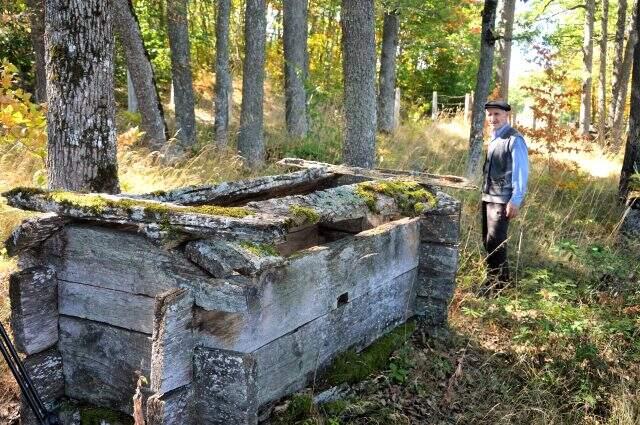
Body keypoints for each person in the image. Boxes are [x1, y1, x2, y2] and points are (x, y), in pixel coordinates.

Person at [481, 100, 529, 290]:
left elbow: (520, 172)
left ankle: (496, 286)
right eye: (490, 114)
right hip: (488, 196)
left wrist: (515, 200)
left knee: (496, 243)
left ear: (506, 115)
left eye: (497, 114)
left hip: (502, 200)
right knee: (488, 241)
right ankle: (500, 281)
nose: (493, 118)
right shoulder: (494, 138)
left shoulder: (514, 139)